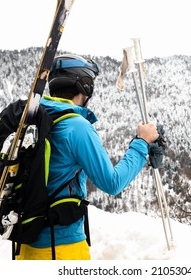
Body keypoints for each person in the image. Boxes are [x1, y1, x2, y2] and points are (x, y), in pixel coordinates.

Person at [16, 54, 160, 260]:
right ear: (85, 87)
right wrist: (142, 143)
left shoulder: (32, 118)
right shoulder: (76, 127)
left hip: (27, 244)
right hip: (62, 248)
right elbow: (112, 182)